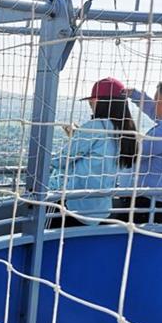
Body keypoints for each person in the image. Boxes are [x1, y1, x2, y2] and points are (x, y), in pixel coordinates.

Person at [48, 78, 137, 228]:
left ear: (101, 102)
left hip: (75, 206)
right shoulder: (126, 131)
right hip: (102, 209)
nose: (91, 107)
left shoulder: (95, 126)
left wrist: (76, 138)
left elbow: (61, 160)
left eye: (92, 102)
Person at [112, 77, 162, 224]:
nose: (154, 104)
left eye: (157, 99)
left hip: (143, 207)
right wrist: (135, 95)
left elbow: (132, 154)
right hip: (161, 205)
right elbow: (155, 111)